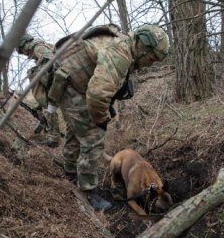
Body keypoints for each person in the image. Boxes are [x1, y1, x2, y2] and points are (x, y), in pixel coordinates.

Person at [19, 23, 170, 194]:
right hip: (68, 85)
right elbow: (98, 94)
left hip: (69, 83)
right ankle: (88, 189)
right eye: (151, 59)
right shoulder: (121, 53)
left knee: (76, 129)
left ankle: (69, 170)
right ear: (143, 47)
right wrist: (100, 119)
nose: (149, 65)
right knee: (93, 135)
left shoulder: (116, 41)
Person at [16, 35, 62, 148]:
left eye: (22, 51)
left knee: (49, 109)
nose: (25, 54)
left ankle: (54, 138)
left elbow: (53, 66)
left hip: (57, 85)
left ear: (24, 45)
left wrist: (36, 71)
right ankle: (51, 135)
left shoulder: (39, 48)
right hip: (56, 85)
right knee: (46, 109)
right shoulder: (42, 47)